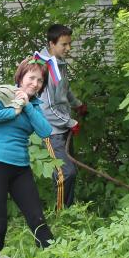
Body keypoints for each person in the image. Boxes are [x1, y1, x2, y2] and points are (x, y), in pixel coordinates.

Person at [0, 57, 54, 251]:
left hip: (20, 168)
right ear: (21, 77)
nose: (35, 84)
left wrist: (26, 105)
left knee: (38, 219)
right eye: (32, 78)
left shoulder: (34, 106)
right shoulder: (3, 95)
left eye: (40, 81)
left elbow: (45, 131)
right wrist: (13, 111)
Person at [35, 24, 86, 209]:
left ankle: (69, 209)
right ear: (51, 44)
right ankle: (61, 214)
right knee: (66, 172)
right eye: (64, 44)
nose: (68, 48)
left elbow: (65, 89)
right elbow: (46, 107)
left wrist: (78, 104)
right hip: (52, 130)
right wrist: (70, 122)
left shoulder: (59, 63)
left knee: (69, 171)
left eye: (69, 44)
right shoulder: (44, 68)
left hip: (64, 126)